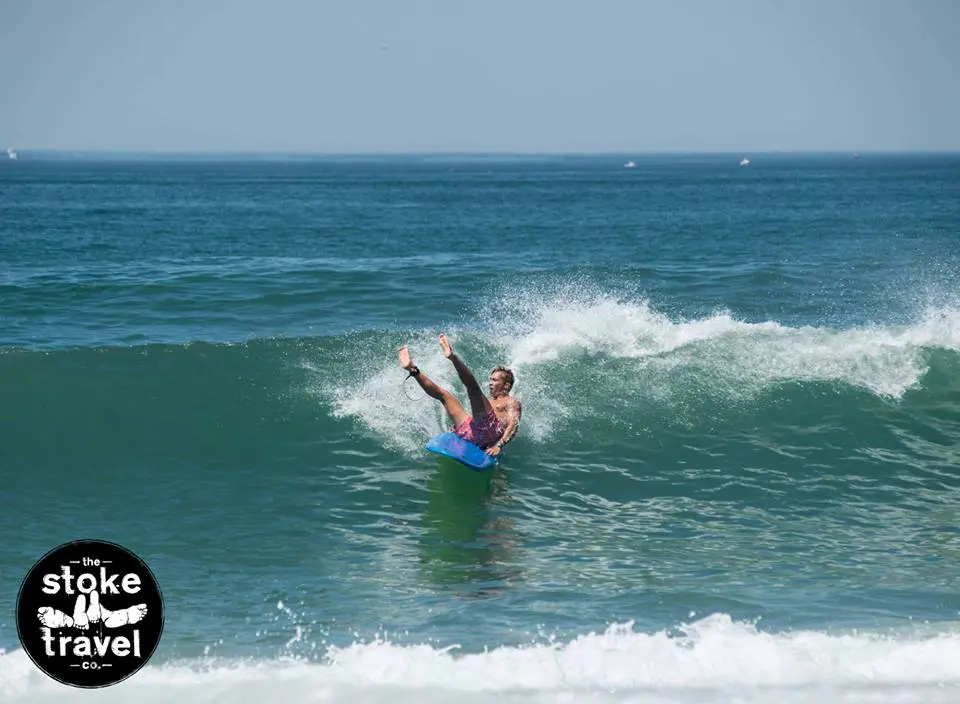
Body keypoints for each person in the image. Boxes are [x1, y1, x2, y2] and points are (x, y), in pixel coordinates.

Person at [399, 334, 521, 456]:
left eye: (494, 380)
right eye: (490, 380)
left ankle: (452, 357)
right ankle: (413, 370)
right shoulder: (489, 402)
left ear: (506, 385)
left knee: (474, 389)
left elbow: (513, 424)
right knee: (444, 395)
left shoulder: (511, 401)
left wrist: (499, 445)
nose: (490, 383)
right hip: (470, 429)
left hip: (488, 432)